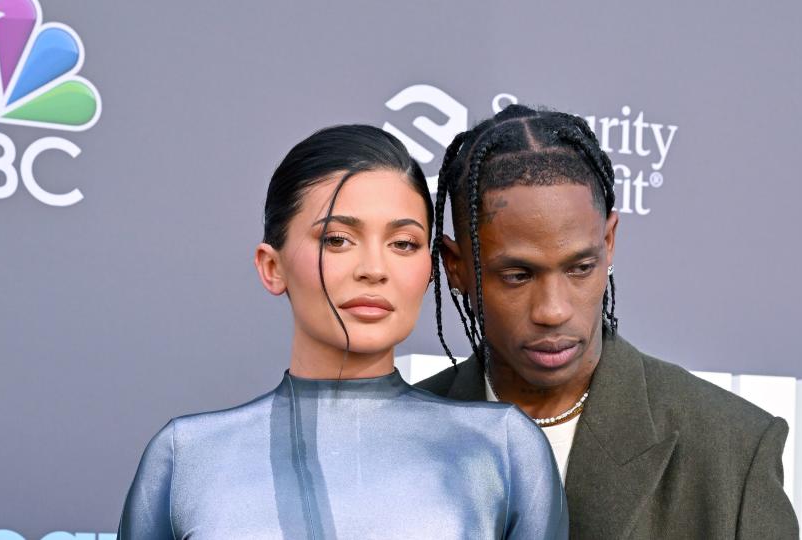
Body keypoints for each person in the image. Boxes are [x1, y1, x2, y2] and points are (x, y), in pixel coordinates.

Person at [117, 125, 568, 539]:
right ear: (271, 267)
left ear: (429, 270)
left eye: (404, 244)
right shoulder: (186, 458)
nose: (374, 269)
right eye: (337, 240)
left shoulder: (502, 451)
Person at [417, 105, 800, 539]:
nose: (553, 310)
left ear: (609, 242)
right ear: (457, 267)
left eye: (580, 267)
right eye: (518, 275)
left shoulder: (734, 449)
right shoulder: (402, 439)